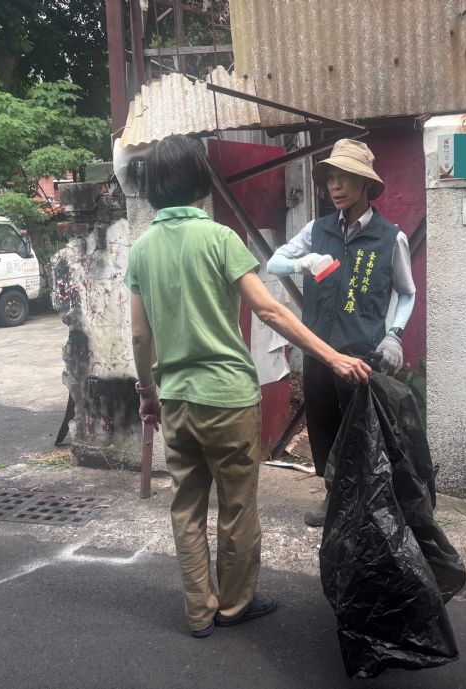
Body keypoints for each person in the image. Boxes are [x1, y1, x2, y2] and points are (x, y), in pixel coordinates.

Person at [124, 135, 371, 638]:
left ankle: (199, 611)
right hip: (228, 400)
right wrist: (332, 356)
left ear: (152, 188)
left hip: (176, 399)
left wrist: (148, 394)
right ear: (200, 181)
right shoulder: (220, 239)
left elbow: (140, 335)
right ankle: (235, 606)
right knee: (237, 508)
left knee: (186, 507)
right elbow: (270, 310)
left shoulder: (141, 250)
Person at [267, 138, 416, 527]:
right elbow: (274, 262)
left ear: (365, 182)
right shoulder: (317, 230)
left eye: (345, 177)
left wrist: (394, 334)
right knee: (323, 426)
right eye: (331, 177)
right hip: (317, 350)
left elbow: (407, 292)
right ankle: (334, 497)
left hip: (360, 356)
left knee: (361, 432)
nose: (335, 185)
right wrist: (302, 264)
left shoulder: (391, 238)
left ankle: (366, 503)